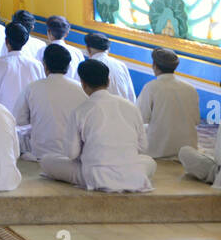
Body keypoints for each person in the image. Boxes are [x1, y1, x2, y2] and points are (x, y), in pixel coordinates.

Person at [39, 59, 155, 192]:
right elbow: (142, 147)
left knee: (47, 160)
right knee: (149, 161)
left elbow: (71, 154)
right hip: (131, 173)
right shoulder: (130, 107)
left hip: (95, 175)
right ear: (108, 81)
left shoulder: (80, 111)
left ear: (83, 84)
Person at [12, 43, 87, 161]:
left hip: (40, 155)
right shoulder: (81, 90)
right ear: (68, 66)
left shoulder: (32, 88)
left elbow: (19, 120)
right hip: (73, 157)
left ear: (45, 65)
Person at [137, 49, 199, 160]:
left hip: (158, 150)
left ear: (154, 66)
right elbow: (196, 120)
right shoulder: (190, 88)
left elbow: (140, 118)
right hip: (187, 150)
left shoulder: (151, 87)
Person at [0, 22, 44, 112]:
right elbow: (40, 95)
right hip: (28, 121)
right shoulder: (37, 65)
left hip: (3, 118)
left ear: (6, 41)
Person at [84, 32, 136, 102]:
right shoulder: (121, 65)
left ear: (88, 49)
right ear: (108, 49)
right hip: (123, 109)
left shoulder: (88, 66)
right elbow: (131, 96)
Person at [44, 15, 83, 79]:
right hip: (73, 87)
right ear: (67, 33)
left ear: (48, 32)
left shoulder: (42, 51)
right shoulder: (77, 52)